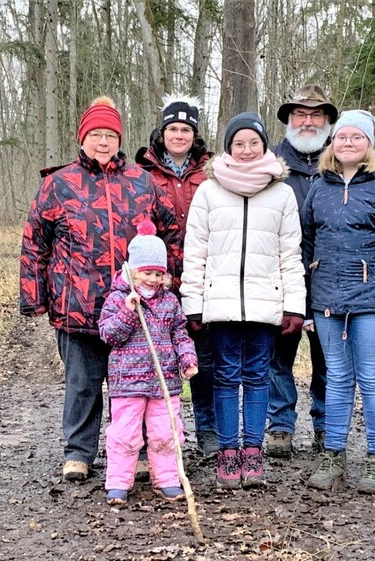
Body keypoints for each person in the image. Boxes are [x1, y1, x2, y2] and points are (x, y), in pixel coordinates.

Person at [20, 96, 182, 482]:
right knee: (83, 383)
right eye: (96, 135)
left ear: (120, 138)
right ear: (83, 138)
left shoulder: (143, 182)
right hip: (78, 305)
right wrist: (34, 298)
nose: (104, 142)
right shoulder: (57, 184)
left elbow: (171, 233)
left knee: (138, 384)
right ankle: (79, 452)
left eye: (110, 135)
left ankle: (137, 453)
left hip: (137, 306)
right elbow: (34, 244)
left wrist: (169, 283)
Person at [180, 112, 306, 489]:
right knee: (223, 377)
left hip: (265, 304)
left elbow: (291, 254)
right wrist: (193, 303)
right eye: (239, 143)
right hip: (220, 305)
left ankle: (253, 450)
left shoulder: (282, 193)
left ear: (264, 145)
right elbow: (195, 252)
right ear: (228, 148)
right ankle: (227, 451)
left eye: (254, 142)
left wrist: (294, 305)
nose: (247, 150)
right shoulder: (209, 190)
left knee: (257, 376)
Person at [303, 110, 375, 495]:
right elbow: (305, 246)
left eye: (356, 137)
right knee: (336, 378)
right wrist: (305, 305)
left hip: (373, 301)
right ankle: (333, 454)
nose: (348, 143)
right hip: (328, 301)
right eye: (342, 137)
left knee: (372, 379)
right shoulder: (319, 187)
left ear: (369, 143)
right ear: (332, 143)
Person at [136, 94, 218, 458]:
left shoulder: (212, 172)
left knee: (203, 358)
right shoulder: (145, 173)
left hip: (203, 277)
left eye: (186, 129)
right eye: (173, 128)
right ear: (163, 131)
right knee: (151, 357)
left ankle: (209, 430)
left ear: (195, 134)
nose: (179, 135)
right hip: (158, 280)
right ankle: (152, 437)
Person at [98, 221, 198, 505]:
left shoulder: (169, 302)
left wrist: (187, 359)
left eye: (158, 273)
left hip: (164, 382)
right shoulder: (118, 299)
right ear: (132, 271)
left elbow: (180, 334)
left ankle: (166, 478)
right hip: (127, 383)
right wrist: (129, 312)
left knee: (166, 433)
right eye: (147, 273)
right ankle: (118, 481)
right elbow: (108, 335)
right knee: (125, 434)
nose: (153, 279)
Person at [266, 85, 336, 458]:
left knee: (328, 356)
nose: (307, 122)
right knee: (278, 357)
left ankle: (326, 424)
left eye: (315, 115)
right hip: (282, 274)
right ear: (289, 120)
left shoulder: (343, 160)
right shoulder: (270, 163)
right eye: (300, 115)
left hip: (331, 277)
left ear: (327, 121)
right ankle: (280, 425)